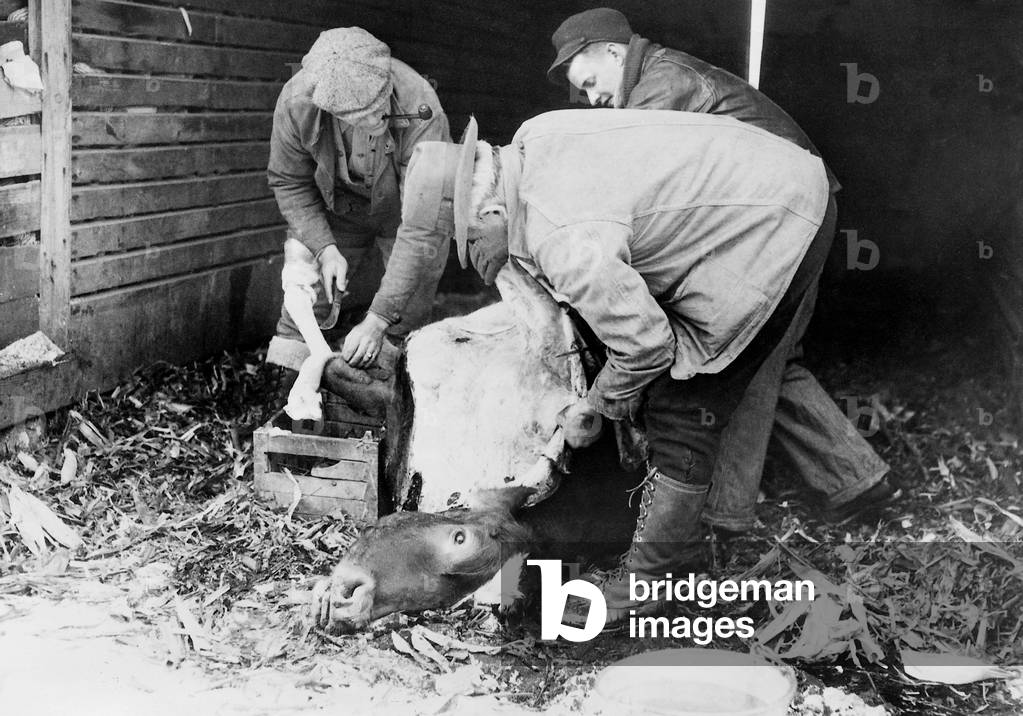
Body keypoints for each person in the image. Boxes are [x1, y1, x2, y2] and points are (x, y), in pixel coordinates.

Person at [353, 108, 865, 628]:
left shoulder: (566, 242)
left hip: (775, 220)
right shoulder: (529, 140)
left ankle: (647, 585)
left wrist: (597, 405)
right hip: (762, 183)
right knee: (661, 376)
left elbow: (646, 347)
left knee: (685, 403)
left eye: (472, 244)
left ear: (489, 214)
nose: (479, 258)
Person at [544, 7, 896, 527]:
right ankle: (858, 480)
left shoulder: (663, 89)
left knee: (736, 360)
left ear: (614, 52)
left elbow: (627, 186)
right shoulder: (659, 77)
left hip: (787, 220)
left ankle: (721, 515)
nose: (592, 98)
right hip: (794, 214)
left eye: (593, 83)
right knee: (776, 354)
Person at [265, 27, 450, 402]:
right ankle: (287, 395)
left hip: (407, 216)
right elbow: (289, 181)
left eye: (383, 103)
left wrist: (379, 319)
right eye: (367, 114)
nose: (382, 113)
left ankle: (389, 400)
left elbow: (421, 226)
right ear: (333, 110)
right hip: (339, 211)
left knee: (406, 312)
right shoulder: (297, 103)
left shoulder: (421, 106)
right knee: (306, 295)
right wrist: (324, 248)